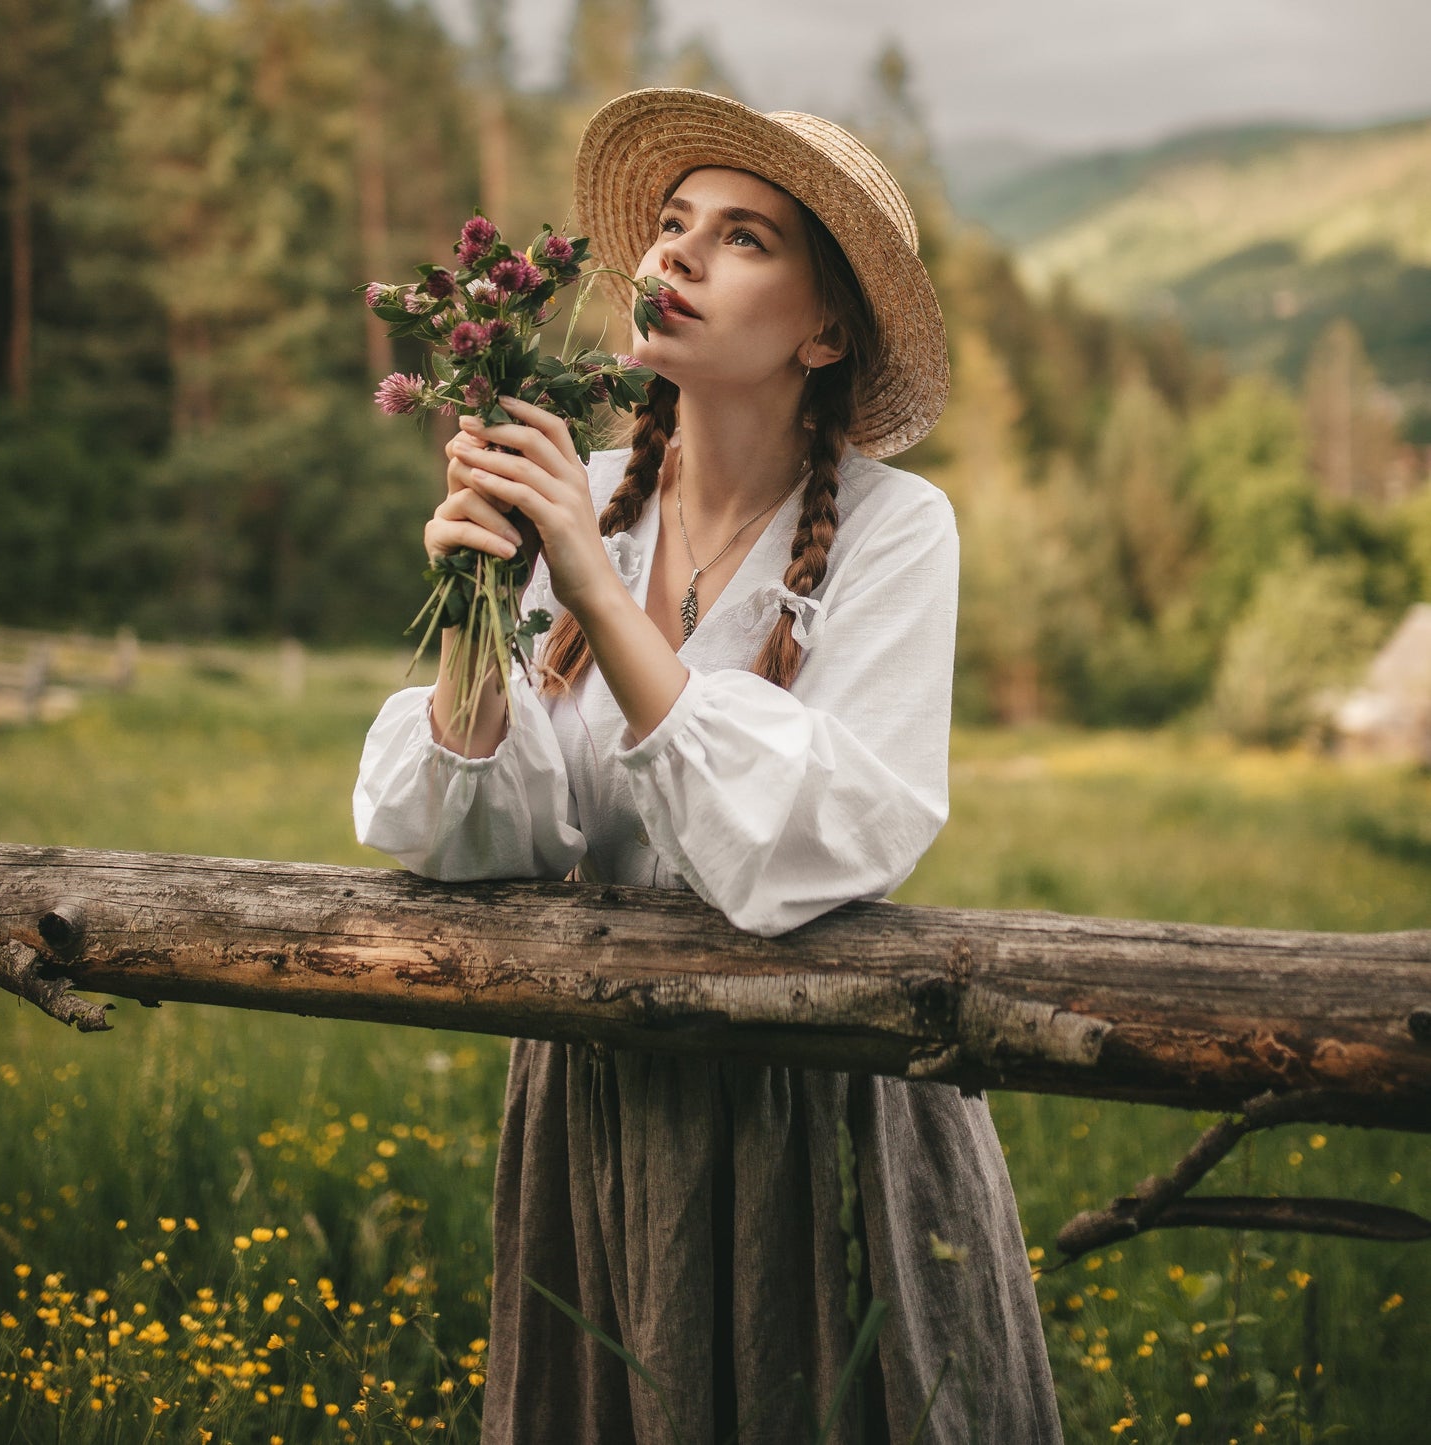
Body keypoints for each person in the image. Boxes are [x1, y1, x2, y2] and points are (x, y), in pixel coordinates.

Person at [354, 88, 1061, 1445]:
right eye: (672, 225)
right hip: (599, 1103)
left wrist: (598, 600)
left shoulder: (898, 535)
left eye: (740, 238)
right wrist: (480, 602)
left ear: (825, 326)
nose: (673, 255)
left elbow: (824, 840)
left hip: (820, 1107)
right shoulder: (590, 498)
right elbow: (475, 838)